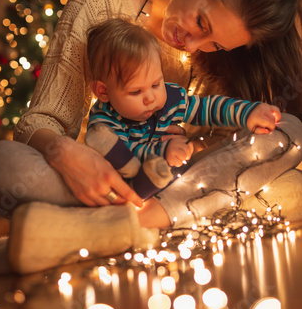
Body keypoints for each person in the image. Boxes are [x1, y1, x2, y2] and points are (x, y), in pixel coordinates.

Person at [0, 0, 302, 274]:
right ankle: (143, 226)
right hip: (102, 184)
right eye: (201, 22)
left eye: (214, 44)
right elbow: (42, 121)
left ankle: (115, 229)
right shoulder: (100, 2)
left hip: (179, 181)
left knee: (290, 131)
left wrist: (188, 149)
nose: (191, 45)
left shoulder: (198, 72)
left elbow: (217, 127)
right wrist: (64, 151)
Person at [85, 17, 281, 199]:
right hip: (118, 186)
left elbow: (208, 109)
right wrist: (164, 150)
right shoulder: (104, 122)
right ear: (103, 91)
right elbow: (126, 155)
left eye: (155, 84)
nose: (150, 98)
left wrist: (247, 112)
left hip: (167, 182)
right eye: (136, 92)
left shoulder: (170, 99)